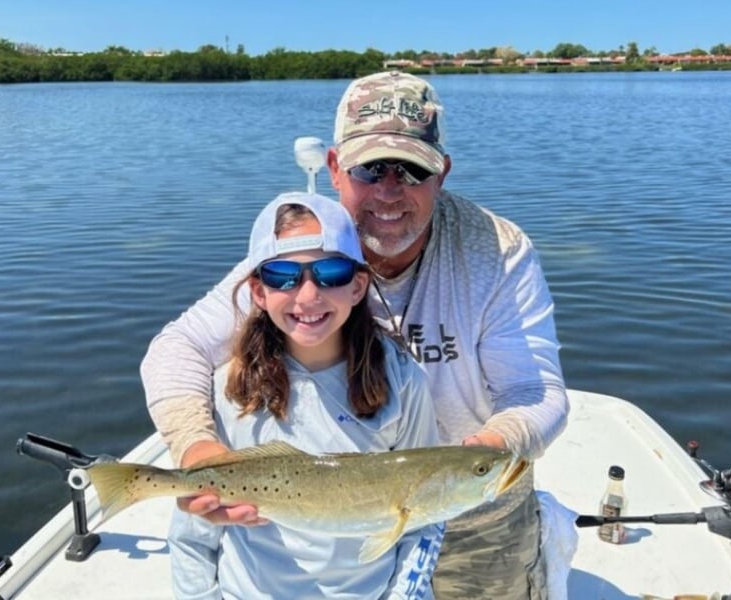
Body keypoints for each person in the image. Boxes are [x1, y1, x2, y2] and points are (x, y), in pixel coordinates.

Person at [143, 71, 570, 600]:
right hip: (329, 515)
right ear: (334, 168)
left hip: (476, 503)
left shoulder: (498, 250)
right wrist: (199, 449)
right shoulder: (300, 249)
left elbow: (535, 392)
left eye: (412, 170)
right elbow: (176, 348)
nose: (389, 191)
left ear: (442, 174)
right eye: (370, 168)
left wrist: (478, 459)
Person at [168, 191, 443, 600]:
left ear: (358, 286)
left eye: (331, 272)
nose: (308, 295)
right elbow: (194, 532)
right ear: (258, 292)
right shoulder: (230, 388)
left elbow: (424, 519)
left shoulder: (403, 381)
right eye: (283, 275)